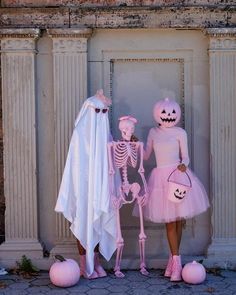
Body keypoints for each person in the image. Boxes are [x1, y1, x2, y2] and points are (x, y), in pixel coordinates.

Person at [140, 98, 209, 282]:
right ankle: (177, 264)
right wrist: (134, 145)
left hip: (177, 177)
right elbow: (146, 155)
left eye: (172, 113)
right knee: (170, 222)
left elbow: (185, 157)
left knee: (178, 221)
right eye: (164, 113)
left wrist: (184, 165)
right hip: (161, 179)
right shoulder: (153, 132)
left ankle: (173, 261)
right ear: (158, 114)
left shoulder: (180, 132)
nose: (168, 116)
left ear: (176, 114)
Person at [55, 90, 117, 279]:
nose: (100, 117)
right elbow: (75, 166)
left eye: (104, 112)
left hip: (100, 188)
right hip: (83, 189)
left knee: (98, 221)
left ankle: (95, 261)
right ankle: (84, 264)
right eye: (97, 112)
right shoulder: (80, 136)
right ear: (88, 112)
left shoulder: (106, 136)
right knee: (84, 220)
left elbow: (113, 160)